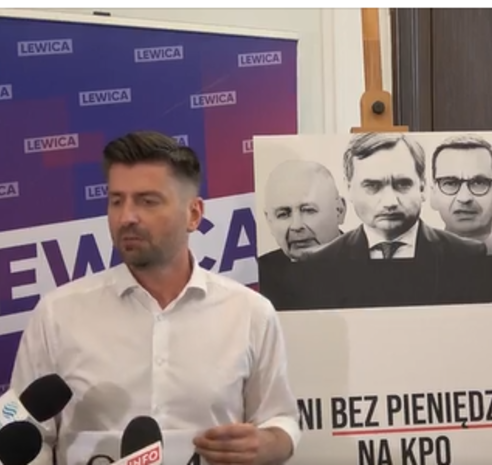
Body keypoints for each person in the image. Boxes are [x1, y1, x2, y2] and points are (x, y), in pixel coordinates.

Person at [11, 131, 300, 465]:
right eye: (116, 201)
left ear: (194, 214)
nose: (126, 217)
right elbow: (27, 435)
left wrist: (269, 443)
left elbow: (280, 419)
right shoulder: (57, 314)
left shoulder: (250, 312)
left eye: (147, 201)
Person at [300, 132, 492, 309]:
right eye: (373, 186)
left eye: (403, 184)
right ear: (349, 188)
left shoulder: (467, 257)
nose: (390, 202)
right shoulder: (319, 264)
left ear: (422, 187)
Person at [429, 134, 492, 301]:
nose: (464, 198)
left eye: (479, 183)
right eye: (450, 183)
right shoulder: (412, 264)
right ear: (433, 195)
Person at [258, 159, 345, 310]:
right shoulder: (259, 275)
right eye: (283, 214)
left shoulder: (373, 264)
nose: (296, 226)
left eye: (308, 210)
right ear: (269, 220)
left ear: (339, 211)